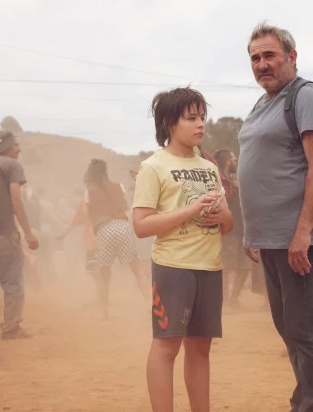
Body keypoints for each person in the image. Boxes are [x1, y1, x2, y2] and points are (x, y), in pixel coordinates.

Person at [238, 22, 313, 411]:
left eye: (269, 55)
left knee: (308, 330)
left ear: (292, 57)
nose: (262, 64)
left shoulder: (306, 96)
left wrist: (303, 234)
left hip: (298, 239)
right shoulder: (264, 102)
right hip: (271, 238)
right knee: (290, 328)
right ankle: (307, 400)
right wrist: (252, 231)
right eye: (255, 58)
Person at [132, 87, 233, 412]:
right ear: (169, 123)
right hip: (173, 268)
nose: (200, 124)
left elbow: (226, 227)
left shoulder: (209, 167)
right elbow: (141, 225)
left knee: (200, 349)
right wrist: (191, 211)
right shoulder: (154, 167)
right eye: (191, 118)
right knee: (166, 348)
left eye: (202, 117)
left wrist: (225, 215)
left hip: (210, 267)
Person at [61, 159, 145, 318]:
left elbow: (86, 212)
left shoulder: (89, 190)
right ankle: (151, 306)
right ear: (105, 171)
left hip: (104, 229)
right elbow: (125, 206)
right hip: (123, 226)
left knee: (103, 274)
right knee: (138, 271)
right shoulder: (118, 186)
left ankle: (104, 311)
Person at [0, 130, 39, 340]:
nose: (19, 149)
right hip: (5, 234)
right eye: (16, 146)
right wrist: (29, 233)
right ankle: (11, 327)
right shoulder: (13, 166)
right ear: (8, 147)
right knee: (13, 282)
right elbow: (16, 201)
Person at [213, 148, 251, 308]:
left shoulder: (234, 182)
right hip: (228, 231)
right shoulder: (219, 182)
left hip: (243, 230)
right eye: (234, 160)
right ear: (228, 161)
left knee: (245, 266)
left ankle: (233, 299)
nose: (236, 162)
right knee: (225, 267)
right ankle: (223, 300)